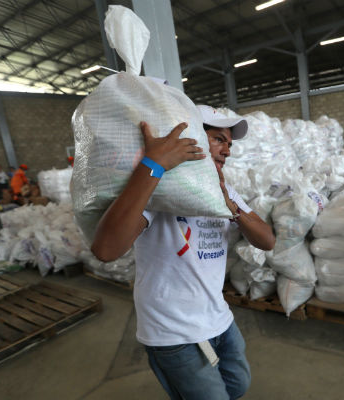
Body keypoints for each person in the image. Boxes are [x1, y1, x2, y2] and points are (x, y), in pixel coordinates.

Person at [91, 105, 275, 400]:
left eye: (229, 143)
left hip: (218, 317)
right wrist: (153, 165)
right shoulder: (163, 190)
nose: (227, 150)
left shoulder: (223, 190)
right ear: (192, 138)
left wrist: (233, 208)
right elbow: (105, 249)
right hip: (173, 331)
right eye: (217, 139)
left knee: (238, 385)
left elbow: (267, 240)